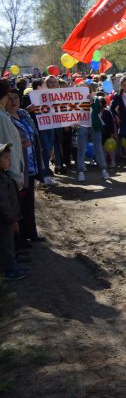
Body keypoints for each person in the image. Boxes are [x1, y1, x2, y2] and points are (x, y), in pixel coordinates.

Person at [7, 89, 42, 246]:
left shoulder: (24, 114)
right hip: (18, 165)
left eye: (16, 98)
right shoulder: (6, 118)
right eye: (10, 98)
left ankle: (31, 233)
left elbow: (34, 133)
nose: (14, 101)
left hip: (32, 163)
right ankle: (20, 239)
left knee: (29, 202)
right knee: (19, 204)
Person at [0, 143, 27, 280]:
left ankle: (12, 265)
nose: (9, 161)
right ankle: (9, 270)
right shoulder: (1, 180)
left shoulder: (4, 176)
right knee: (5, 245)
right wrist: (11, 220)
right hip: (5, 221)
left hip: (8, 220)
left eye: (9, 157)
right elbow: (3, 203)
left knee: (9, 243)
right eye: (6, 158)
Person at [75, 84, 110, 182]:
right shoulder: (75, 100)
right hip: (82, 126)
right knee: (81, 149)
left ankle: (103, 170)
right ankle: (81, 172)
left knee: (98, 148)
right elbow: (72, 113)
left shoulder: (96, 99)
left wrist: (91, 101)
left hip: (95, 127)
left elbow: (98, 110)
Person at [0, 80, 24, 190]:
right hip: (8, 179)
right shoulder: (2, 118)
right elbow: (8, 148)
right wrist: (16, 177)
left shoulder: (3, 116)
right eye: (8, 96)